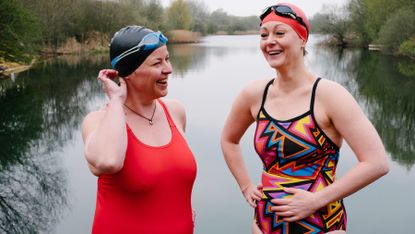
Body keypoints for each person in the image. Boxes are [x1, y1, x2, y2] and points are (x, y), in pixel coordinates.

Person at [220, 3, 389, 234]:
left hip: (322, 225)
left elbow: (376, 162)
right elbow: (229, 140)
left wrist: (316, 200)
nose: (269, 41)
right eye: (263, 35)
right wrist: (246, 185)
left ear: (302, 39)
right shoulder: (254, 94)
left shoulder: (329, 95)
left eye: (280, 33)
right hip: (266, 224)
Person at [82, 25, 197, 234]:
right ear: (129, 72)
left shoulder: (175, 111)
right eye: (157, 63)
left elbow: (170, 185)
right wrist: (116, 100)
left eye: (168, 59)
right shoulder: (98, 121)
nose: (169, 69)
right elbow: (109, 162)